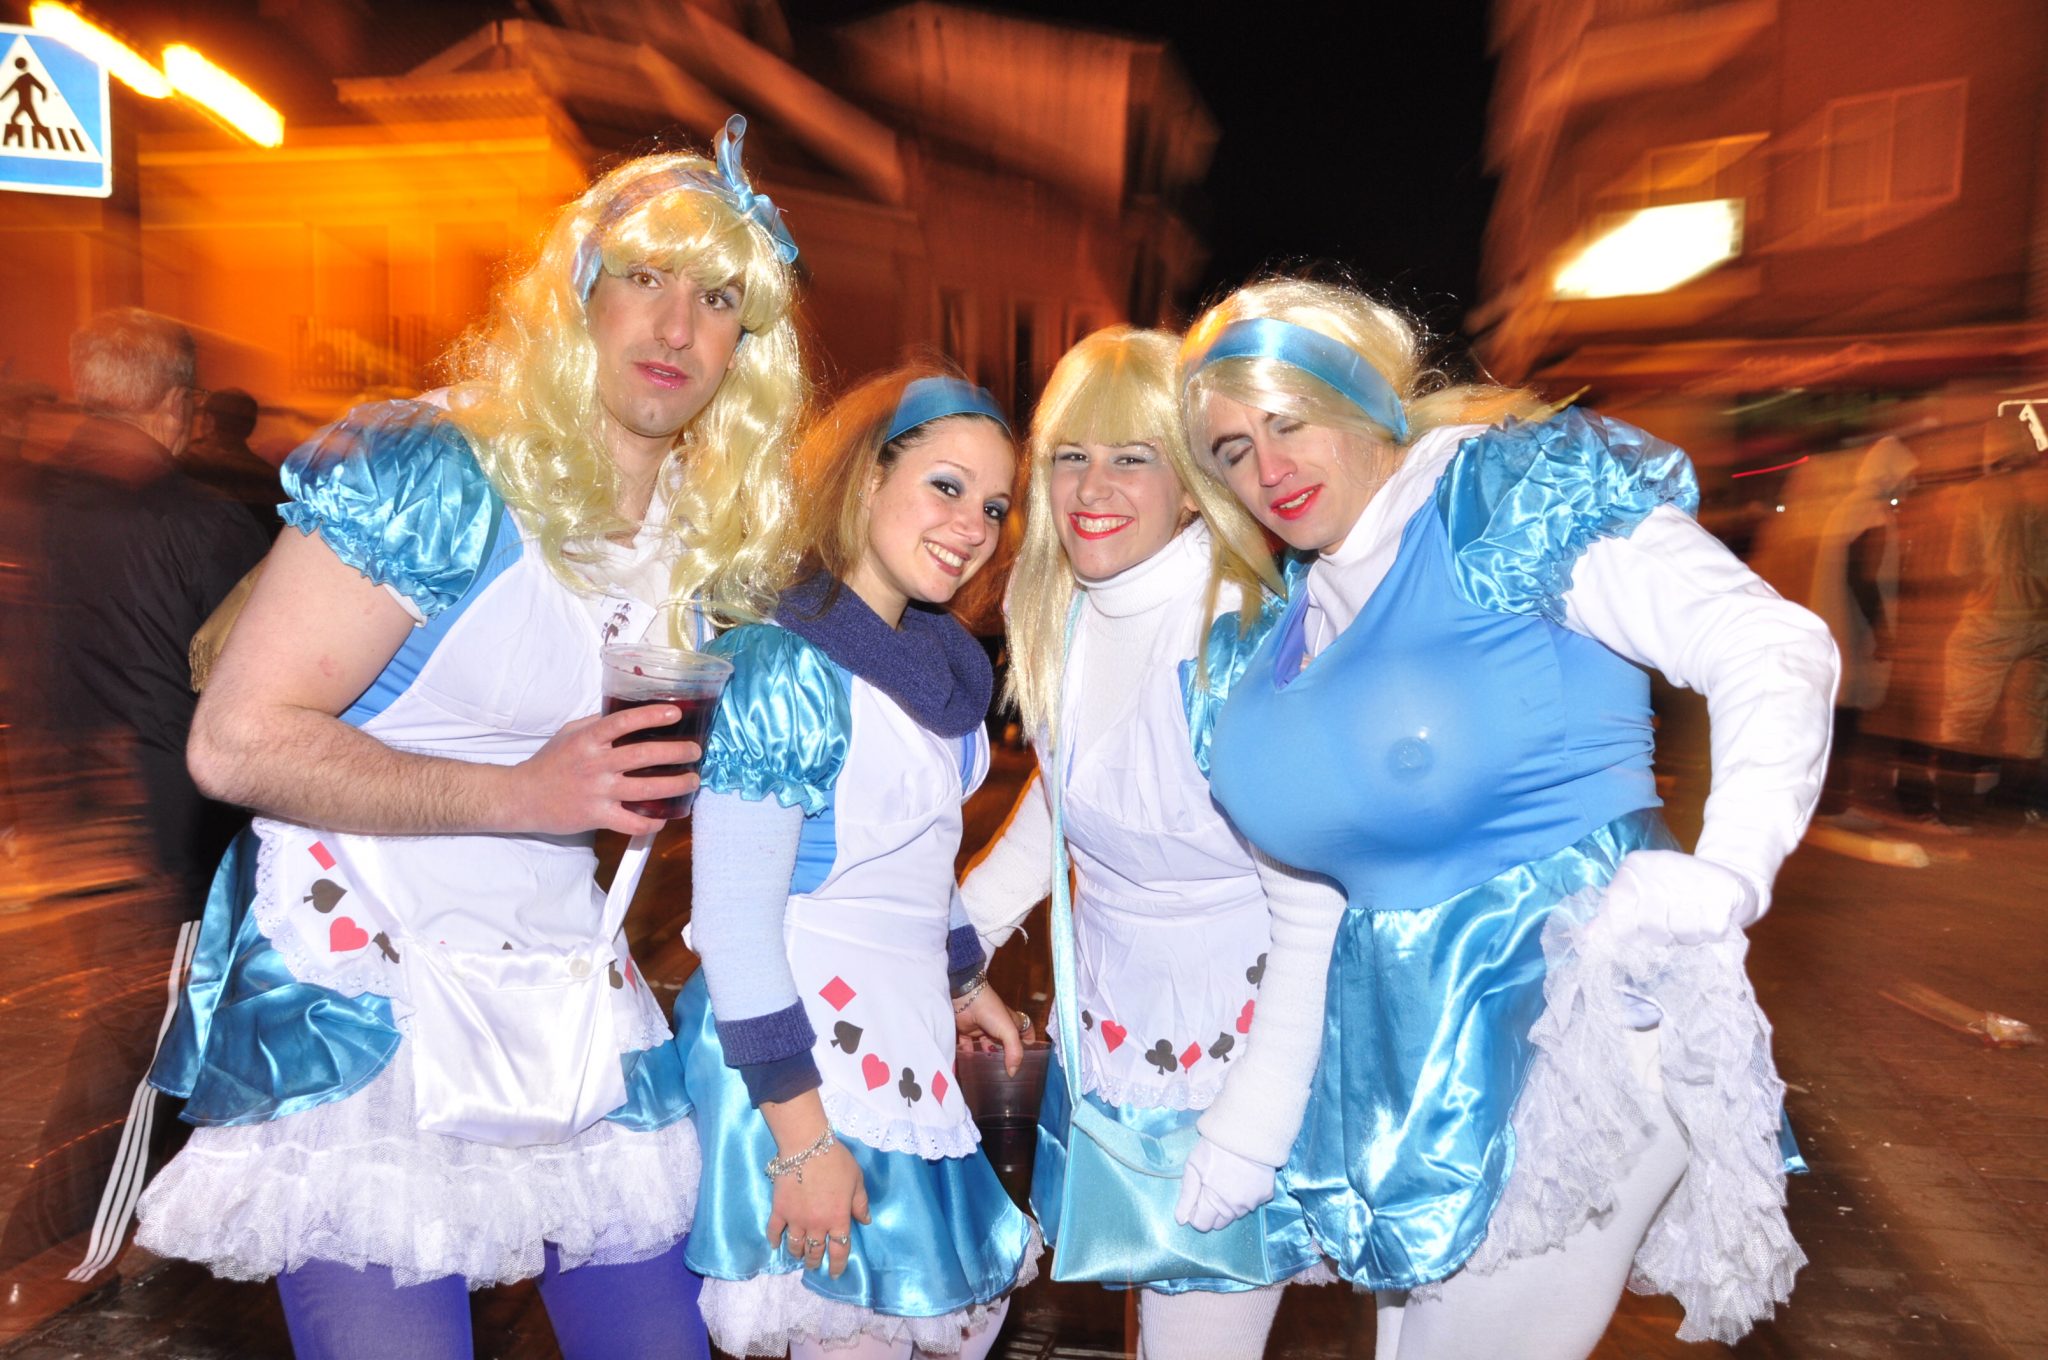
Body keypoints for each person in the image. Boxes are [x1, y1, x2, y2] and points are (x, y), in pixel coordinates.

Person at [134, 115, 806, 1360]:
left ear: (746, 349)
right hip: (361, 992)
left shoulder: (707, 543)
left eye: (718, 298)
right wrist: (527, 792)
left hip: (558, 976)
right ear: (579, 298)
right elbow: (235, 743)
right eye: (644, 280)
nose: (675, 327)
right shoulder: (437, 466)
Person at [1169, 278, 1838, 1358]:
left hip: (1572, 1022)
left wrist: (1726, 872)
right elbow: (1307, 910)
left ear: (1360, 399)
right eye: (1232, 451)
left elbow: (1769, 647)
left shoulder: (1501, 499)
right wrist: (1254, 1116)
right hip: (1400, 1071)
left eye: (1287, 423)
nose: (1268, 469)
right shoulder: (1281, 628)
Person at [955, 327, 1325, 1359]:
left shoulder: (1240, 631)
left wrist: (1255, 1107)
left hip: (1243, 1039)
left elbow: (1315, 890)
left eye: (1131, 456)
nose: (1091, 486)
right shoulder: (1067, 610)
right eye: (1070, 454)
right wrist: (952, 933)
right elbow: (1070, 796)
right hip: (1121, 1024)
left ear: (1193, 481)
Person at [675, 369, 1037, 1359]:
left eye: (995, 505)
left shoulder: (938, 671)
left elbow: (911, 863)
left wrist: (963, 978)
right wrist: (802, 1138)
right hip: (801, 1068)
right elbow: (737, 926)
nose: (973, 526)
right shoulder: (782, 665)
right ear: (862, 479)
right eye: (946, 486)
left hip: (896, 1041)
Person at [38, 308, 271, 902]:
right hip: (173, 828)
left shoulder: (25, 499)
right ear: (175, 402)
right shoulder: (207, 524)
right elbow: (254, 680)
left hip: (53, 815)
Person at [1928, 417, 2048, 820]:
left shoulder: (1978, 493)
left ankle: (1954, 811)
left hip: (1991, 617)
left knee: (1963, 715)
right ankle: (2021, 805)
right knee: (2032, 715)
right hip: (2043, 620)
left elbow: (1961, 565)